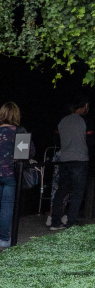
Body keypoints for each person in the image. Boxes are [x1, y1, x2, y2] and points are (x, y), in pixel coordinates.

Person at [50, 96, 94, 231]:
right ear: (84, 106)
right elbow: (91, 141)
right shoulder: (86, 121)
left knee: (61, 191)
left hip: (64, 159)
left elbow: (56, 141)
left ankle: (55, 222)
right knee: (77, 192)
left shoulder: (63, 120)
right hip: (80, 160)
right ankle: (71, 222)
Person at [0, 102, 34, 250]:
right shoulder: (20, 131)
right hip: (10, 175)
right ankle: (3, 239)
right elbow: (29, 152)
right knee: (7, 207)